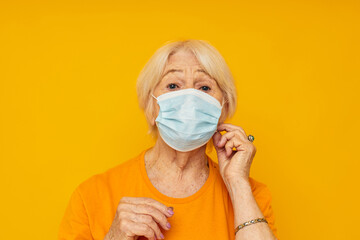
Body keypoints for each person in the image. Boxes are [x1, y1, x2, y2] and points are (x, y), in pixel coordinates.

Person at [59, 39, 279, 240]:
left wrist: (238, 184)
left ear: (223, 107)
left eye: (204, 87)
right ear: (151, 106)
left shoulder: (251, 197)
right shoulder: (92, 196)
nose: (190, 99)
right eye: (173, 85)